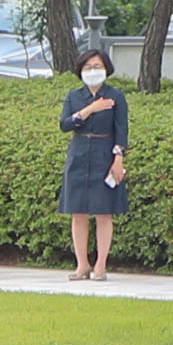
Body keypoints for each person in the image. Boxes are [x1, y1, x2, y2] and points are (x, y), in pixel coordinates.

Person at [59, 48, 127, 279]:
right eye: (88, 67)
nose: (92, 71)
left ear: (106, 69)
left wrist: (118, 159)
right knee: (78, 212)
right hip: (78, 154)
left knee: (103, 211)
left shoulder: (116, 96)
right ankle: (82, 264)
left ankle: (100, 265)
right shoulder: (74, 96)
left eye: (97, 66)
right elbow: (66, 124)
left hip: (104, 154)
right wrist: (90, 110)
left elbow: (121, 130)